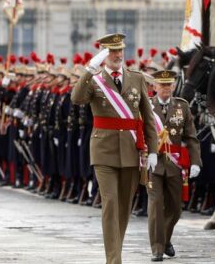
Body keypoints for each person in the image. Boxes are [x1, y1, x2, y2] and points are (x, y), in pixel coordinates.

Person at [71, 33, 158, 264]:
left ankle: (114, 252)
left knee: (123, 207)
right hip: (104, 151)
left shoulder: (137, 78)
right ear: (103, 54)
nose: (118, 55)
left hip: (131, 150)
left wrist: (153, 150)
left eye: (120, 50)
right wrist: (89, 69)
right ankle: (114, 260)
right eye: (112, 51)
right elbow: (77, 98)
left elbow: (148, 118)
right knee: (110, 202)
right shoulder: (95, 79)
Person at [146, 70, 201, 262]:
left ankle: (166, 238)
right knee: (155, 205)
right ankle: (157, 248)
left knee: (175, 209)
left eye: (169, 85)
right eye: (162, 85)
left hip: (175, 164)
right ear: (154, 87)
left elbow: (191, 137)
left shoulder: (182, 106)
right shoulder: (146, 106)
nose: (166, 88)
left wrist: (195, 162)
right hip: (152, 163)